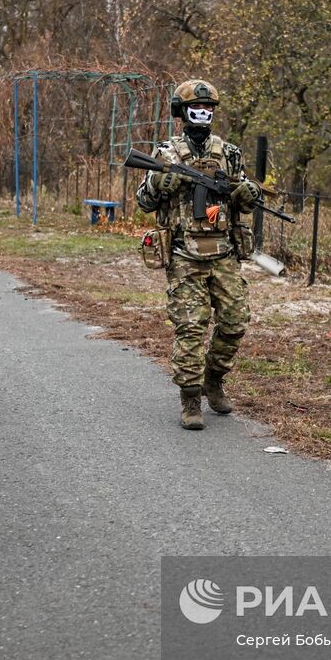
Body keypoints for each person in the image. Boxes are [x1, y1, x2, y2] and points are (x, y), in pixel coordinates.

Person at [135, 78, 262, 429]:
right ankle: (190, 399)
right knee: (191, 327)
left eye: (208, 109)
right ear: (182, 112)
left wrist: (246, 194)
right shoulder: (166, 154)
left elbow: (242, 196)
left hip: (223, 253)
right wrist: (159, 184)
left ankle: (214, 380)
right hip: (184, 254)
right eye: (196, 108)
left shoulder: (229, 153)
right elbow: (144, 202)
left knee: (235, 322)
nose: (203, 113)